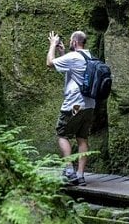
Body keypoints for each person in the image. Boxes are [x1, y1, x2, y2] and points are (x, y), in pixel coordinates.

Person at [46, 30, 95, 186]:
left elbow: (50, 63)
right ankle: (80, 175)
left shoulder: (73, 57)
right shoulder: (90, 57)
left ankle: (69, 170)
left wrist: (53, 45)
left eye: (69, 41)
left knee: (62, 133)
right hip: (90, 105)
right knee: (82, 138)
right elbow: (72, 69)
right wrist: (63, 52)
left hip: (75, 105)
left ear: (74, 42)